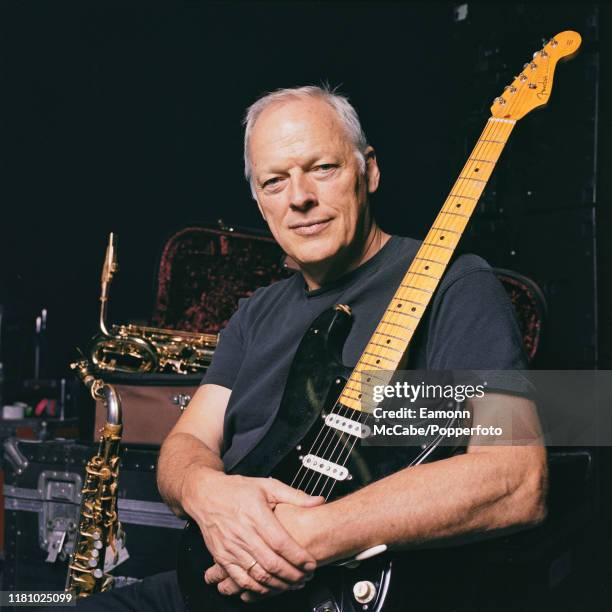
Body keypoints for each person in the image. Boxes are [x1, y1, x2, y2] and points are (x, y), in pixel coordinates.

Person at [75, 85, 547, 611]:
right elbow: (186, 445)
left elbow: (514, 478)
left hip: (338, 591)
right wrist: (207, 494)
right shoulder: (256, 312)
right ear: (258, 200)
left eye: (322, 168)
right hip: (211, 584)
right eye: (274, 181)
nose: (298, 197)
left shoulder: (456, 285)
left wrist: (306, 536)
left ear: (368, 171)